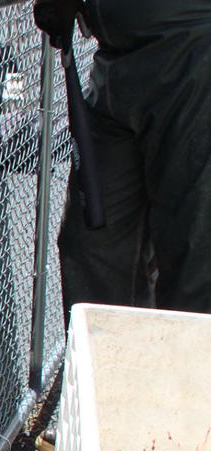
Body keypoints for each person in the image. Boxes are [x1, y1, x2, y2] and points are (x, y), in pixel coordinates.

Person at [47, 0, 211, 314]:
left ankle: (191, 361)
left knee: (194, 258)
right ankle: (108, 361)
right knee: (92, 247)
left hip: (193, 47)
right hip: (116, 54)